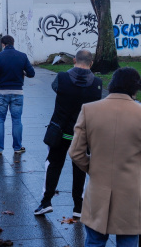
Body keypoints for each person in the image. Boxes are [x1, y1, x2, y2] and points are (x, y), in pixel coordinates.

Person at [68, 67, 141, 247]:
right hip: (131, 193)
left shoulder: (89, 110)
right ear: (136, 88)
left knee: (95, 241)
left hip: (98, 188)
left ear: (112, 84)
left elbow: (75, 152)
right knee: (128, 241)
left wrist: (93, 168)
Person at [34, 50, 102, 217]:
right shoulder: (97, 84)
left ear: (74, 60)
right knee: (80, 168)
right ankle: (78, 206)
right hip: (83, 134)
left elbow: (55, 89)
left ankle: (46, 201)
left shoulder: (62, 78)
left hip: (60, 130)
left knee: (53, 164)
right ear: (91, 63)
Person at [0, 35, 35, 155]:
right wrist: (22, 72)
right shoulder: (22, 56)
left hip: (2, 92)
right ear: (13, 43)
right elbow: (31, 73)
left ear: (3, 44)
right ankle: (17, 147)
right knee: (17, 120)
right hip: (17, 92)